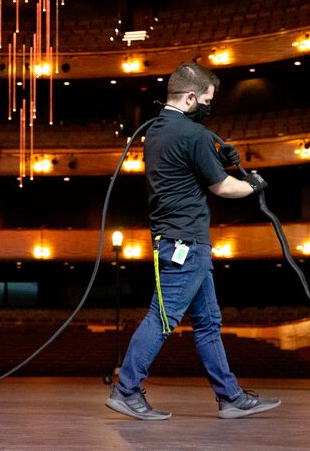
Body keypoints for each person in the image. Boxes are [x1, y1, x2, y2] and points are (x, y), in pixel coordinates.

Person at [105, 62, 280, 420]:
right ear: (190, 97)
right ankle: (125, 390)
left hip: (175, 241)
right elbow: (222, 187)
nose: (207, 106)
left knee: (208, 322)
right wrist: (254, 183)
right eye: (206, 100)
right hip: (186, 243)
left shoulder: (155, 131)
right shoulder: (195, 135)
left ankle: (230, 397)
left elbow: (187, 174)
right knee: (162, 318)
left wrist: (218, 160)